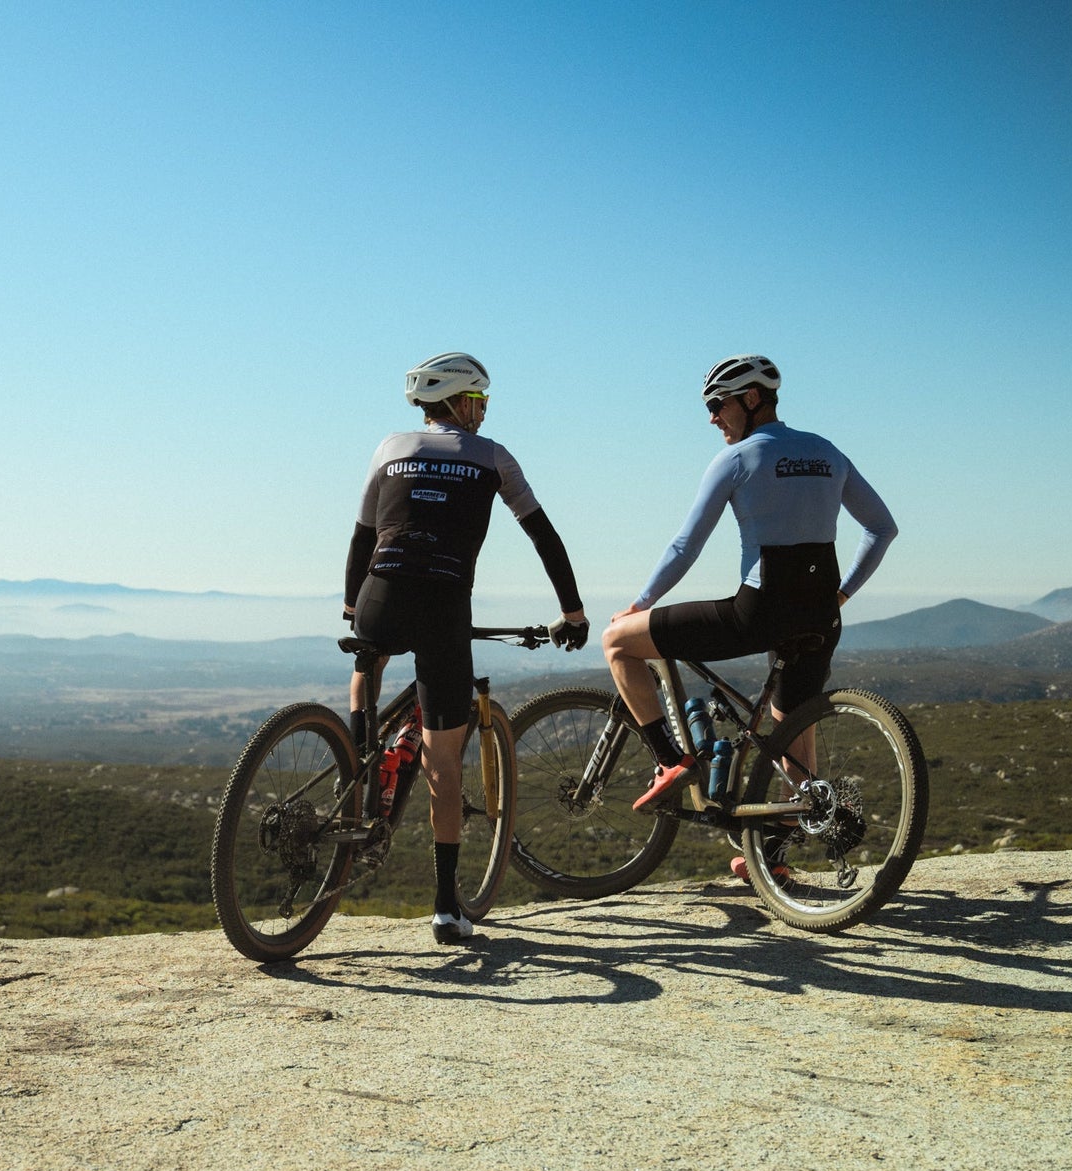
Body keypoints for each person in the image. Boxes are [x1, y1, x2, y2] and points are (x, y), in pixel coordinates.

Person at [600, 354, 897, 875]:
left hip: (758, 613)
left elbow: (685, 546)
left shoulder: (738, 459)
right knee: (790, 732)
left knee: (618, 643)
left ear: (751, 399)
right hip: (822, 616)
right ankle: (773, 859)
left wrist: (639, 604)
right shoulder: (827, 452)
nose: (712, 417)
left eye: (718, 405)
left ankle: (671, 761)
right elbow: (882, 528)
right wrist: (843, 594)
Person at [344, 352, 588, 945]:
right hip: (444, 604)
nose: (482, 412)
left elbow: (363, 535)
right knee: (444, 761)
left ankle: (357, 765)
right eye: (478, 401)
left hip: (381, 589)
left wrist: (353, 609)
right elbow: (542, 534)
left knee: (368, 658)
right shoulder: (492, 456)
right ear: (458, 402)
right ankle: (447, 908)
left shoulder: (389, 448)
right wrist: (572, 610)